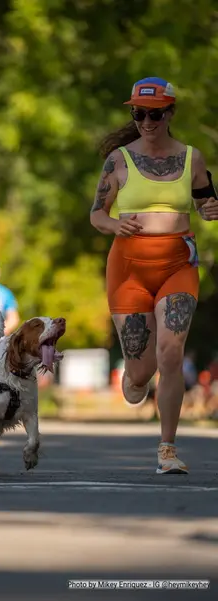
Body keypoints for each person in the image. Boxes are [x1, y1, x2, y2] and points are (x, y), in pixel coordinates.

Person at [90, 76, 218, 474]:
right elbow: (97, 213)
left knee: (170, 353)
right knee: (141, 370)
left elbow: (205, 201)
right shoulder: (119, 161)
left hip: (178, 264)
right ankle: (136, 380)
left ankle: (167, 449)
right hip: (128, 268)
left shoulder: (192, 158)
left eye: (155, 114)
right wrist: (114, 226)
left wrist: (211, 211)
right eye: (139, 113)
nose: (146, 121)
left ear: (170, 113)